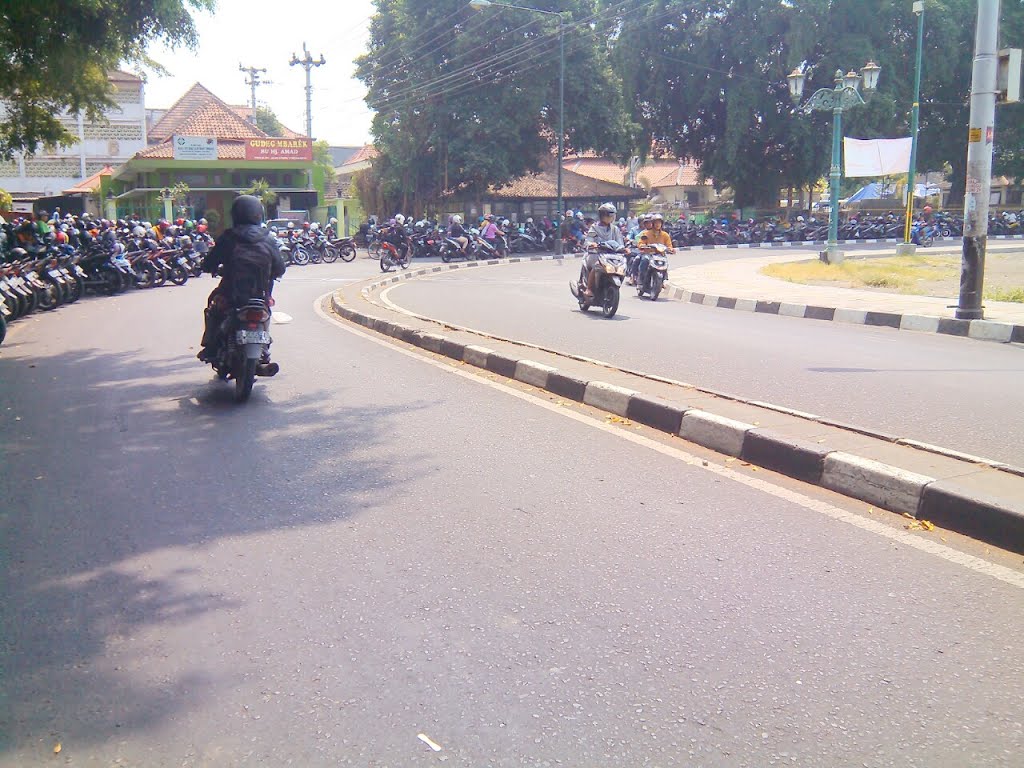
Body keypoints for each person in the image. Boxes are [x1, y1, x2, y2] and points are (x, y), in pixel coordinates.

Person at [197, 195, 286, 373]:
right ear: (258, 214)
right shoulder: (268, 239)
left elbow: (208, 263)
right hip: (260, 294)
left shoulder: (229, 237)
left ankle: (211, 345)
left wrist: (210, 268)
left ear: (236, 214)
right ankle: (264, 351)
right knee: (265, 312)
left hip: (231, 292)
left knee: (213, 305)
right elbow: (280, 268)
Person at [580, 202, 624, 298]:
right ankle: (589, 288)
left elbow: (620, 242)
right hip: (595, 254)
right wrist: (592, 244)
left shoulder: (615, 229)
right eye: (609, 215)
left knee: (622, 266)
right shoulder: (594, 228)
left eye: (612, 215)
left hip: (611, 255)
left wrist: (624, 249)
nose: (611, 217)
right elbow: (588, 240)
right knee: (597, 266)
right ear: (602, 215)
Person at [635, 212, 674, 288]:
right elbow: (641, 243)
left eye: (659, 222)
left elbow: (669, 245)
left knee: (665, 261)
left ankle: (663, 279)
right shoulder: (646, 233)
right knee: (644, 260)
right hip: (648, 254)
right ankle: (640, 280)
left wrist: (671, 249)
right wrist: (642, 245)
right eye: (656, 222)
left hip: (660, 254)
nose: (657, 224)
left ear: (662, 224)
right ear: (652, 223)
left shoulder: (665, 235)